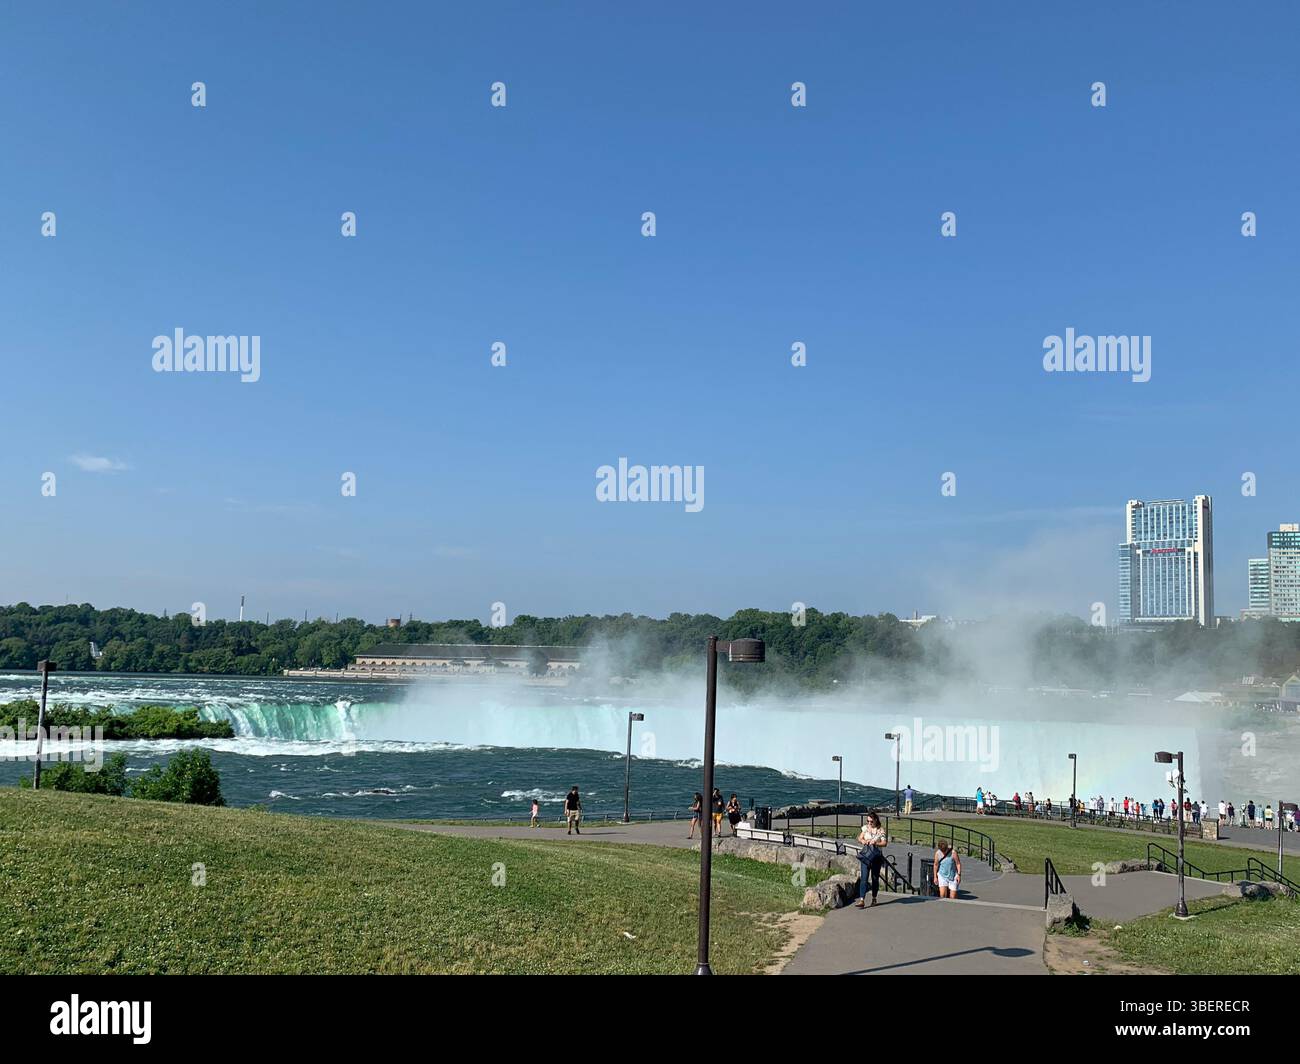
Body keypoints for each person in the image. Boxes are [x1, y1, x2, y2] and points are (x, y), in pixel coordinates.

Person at [855, 812, 887, 908]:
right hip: (866, 856)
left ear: (876, 820)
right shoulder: (865, 828)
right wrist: (864, 841)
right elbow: (859, 837)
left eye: (871, 821)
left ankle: (874, 898)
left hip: (876, 857)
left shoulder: (880, 830)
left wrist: (875, 843)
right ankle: (862, 900)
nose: (869, 823)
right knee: (864, 878)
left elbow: (885, 843)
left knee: (874, 879)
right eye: (868, 821)